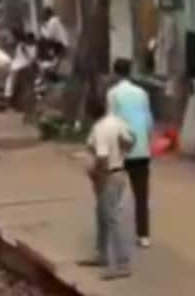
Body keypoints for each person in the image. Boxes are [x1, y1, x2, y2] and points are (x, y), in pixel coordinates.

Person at [80, 94, 134, 281]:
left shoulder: (100, 129)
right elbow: (131, 141)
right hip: (118, 173)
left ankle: (122, 264)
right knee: (102, 216)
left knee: (111, 220)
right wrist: (120, 151)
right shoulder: (117, 122)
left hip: (108, 177)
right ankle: (102, 254)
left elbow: (102, 158)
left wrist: (98, 180)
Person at [106, 58, 154, 249]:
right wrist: (146, 142)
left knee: (114, 192)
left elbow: (111, 121)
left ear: (115, 73)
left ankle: (112, 230)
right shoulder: (142, 93)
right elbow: (148, 122)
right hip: (141, 148)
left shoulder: (113, 93)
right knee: (141, 195)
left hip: (121, 149)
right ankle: (144, 235)